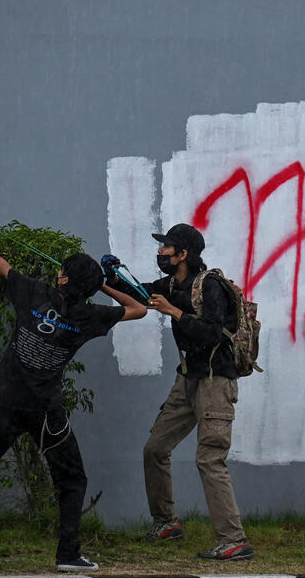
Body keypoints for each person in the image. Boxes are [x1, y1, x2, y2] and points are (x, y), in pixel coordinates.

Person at [0, 221, 147, 572]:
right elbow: (139, 309)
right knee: (72, 479)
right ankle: (68, 556)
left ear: (62, 280)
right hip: (46, 412)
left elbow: (1, 266)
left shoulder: (35, 293)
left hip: (4, 403)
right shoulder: (91, 314)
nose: (58, 272)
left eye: (62, 270)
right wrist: (102, 284)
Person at [102, 223, 254, 561]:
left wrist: (175, 312)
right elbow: (141, 295)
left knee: (209, 458)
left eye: (166, 248)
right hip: (188, 378)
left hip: (216, 380)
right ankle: (166, 523)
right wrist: (111, 279)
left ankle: (234, 540)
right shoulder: (172, 284)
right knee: (155, 448)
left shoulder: (210, 285)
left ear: (183, 254)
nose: (160, 253)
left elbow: (215, 334)